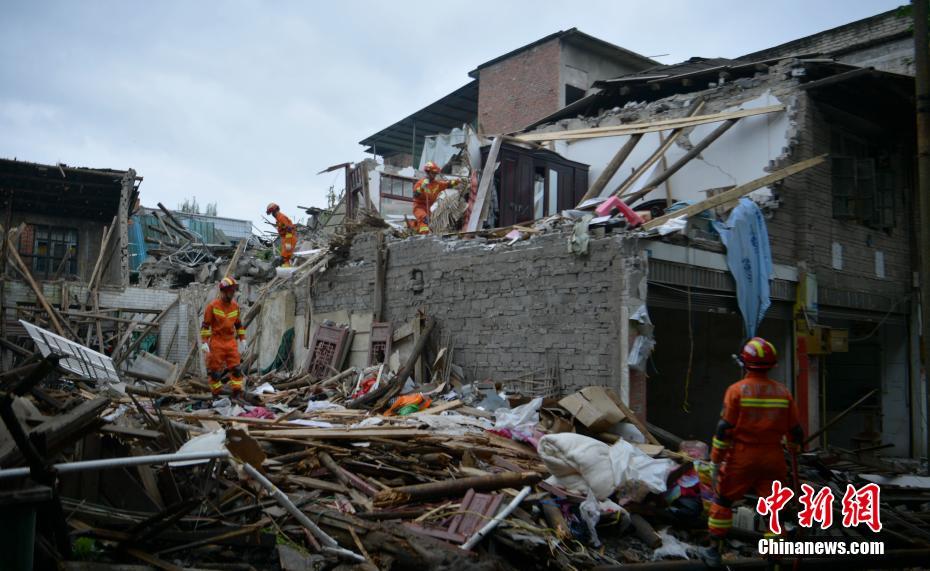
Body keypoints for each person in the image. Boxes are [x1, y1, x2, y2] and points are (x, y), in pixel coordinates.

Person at [707, 337, 804, 561]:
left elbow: (724, 429)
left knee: (723, 501)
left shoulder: (736, 391)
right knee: (774, 509)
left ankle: (714, 550)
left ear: (744, 363)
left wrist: (716, 459)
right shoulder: (783, 392)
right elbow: (796, 430)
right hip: (773, 458)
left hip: (742, 458)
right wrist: (794, 447)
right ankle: (774, 557)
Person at [200, 277, 247, 397]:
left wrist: (243, 340)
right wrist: (204, 342)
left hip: (231, 341)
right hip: (217, 342)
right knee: (215, 372)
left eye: (234, 290)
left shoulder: (235, 306)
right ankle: (216, 394)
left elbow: (238, 325)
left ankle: (237, 393)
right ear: (223, 291)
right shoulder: (212, 306)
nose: (233, 293)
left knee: (236, 369)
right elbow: (205, 326)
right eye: (231, 290)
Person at [413, 161, 460, 234]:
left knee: (431, 223)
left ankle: (414, 227)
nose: (434, 175)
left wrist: (456, 182)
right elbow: (415, 195)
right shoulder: (420, 183)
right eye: (433, 173)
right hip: (419, 207)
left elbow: (447, 184)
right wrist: (422, 188)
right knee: (424, 219)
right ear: (428, 172)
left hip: (429, 209)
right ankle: (424, 236)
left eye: (435, 173)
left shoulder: (437, 184)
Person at [266, 202, 297, 267]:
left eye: (272, 213)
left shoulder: (281, 217)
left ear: (274, 211)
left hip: (289, 237)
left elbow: (289, 229)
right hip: (286, 237)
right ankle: (286, 269)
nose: (272, 215)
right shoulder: (278, 219)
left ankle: (286, 269)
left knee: (286, 255)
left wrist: (288, 241)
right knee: (285, 255)